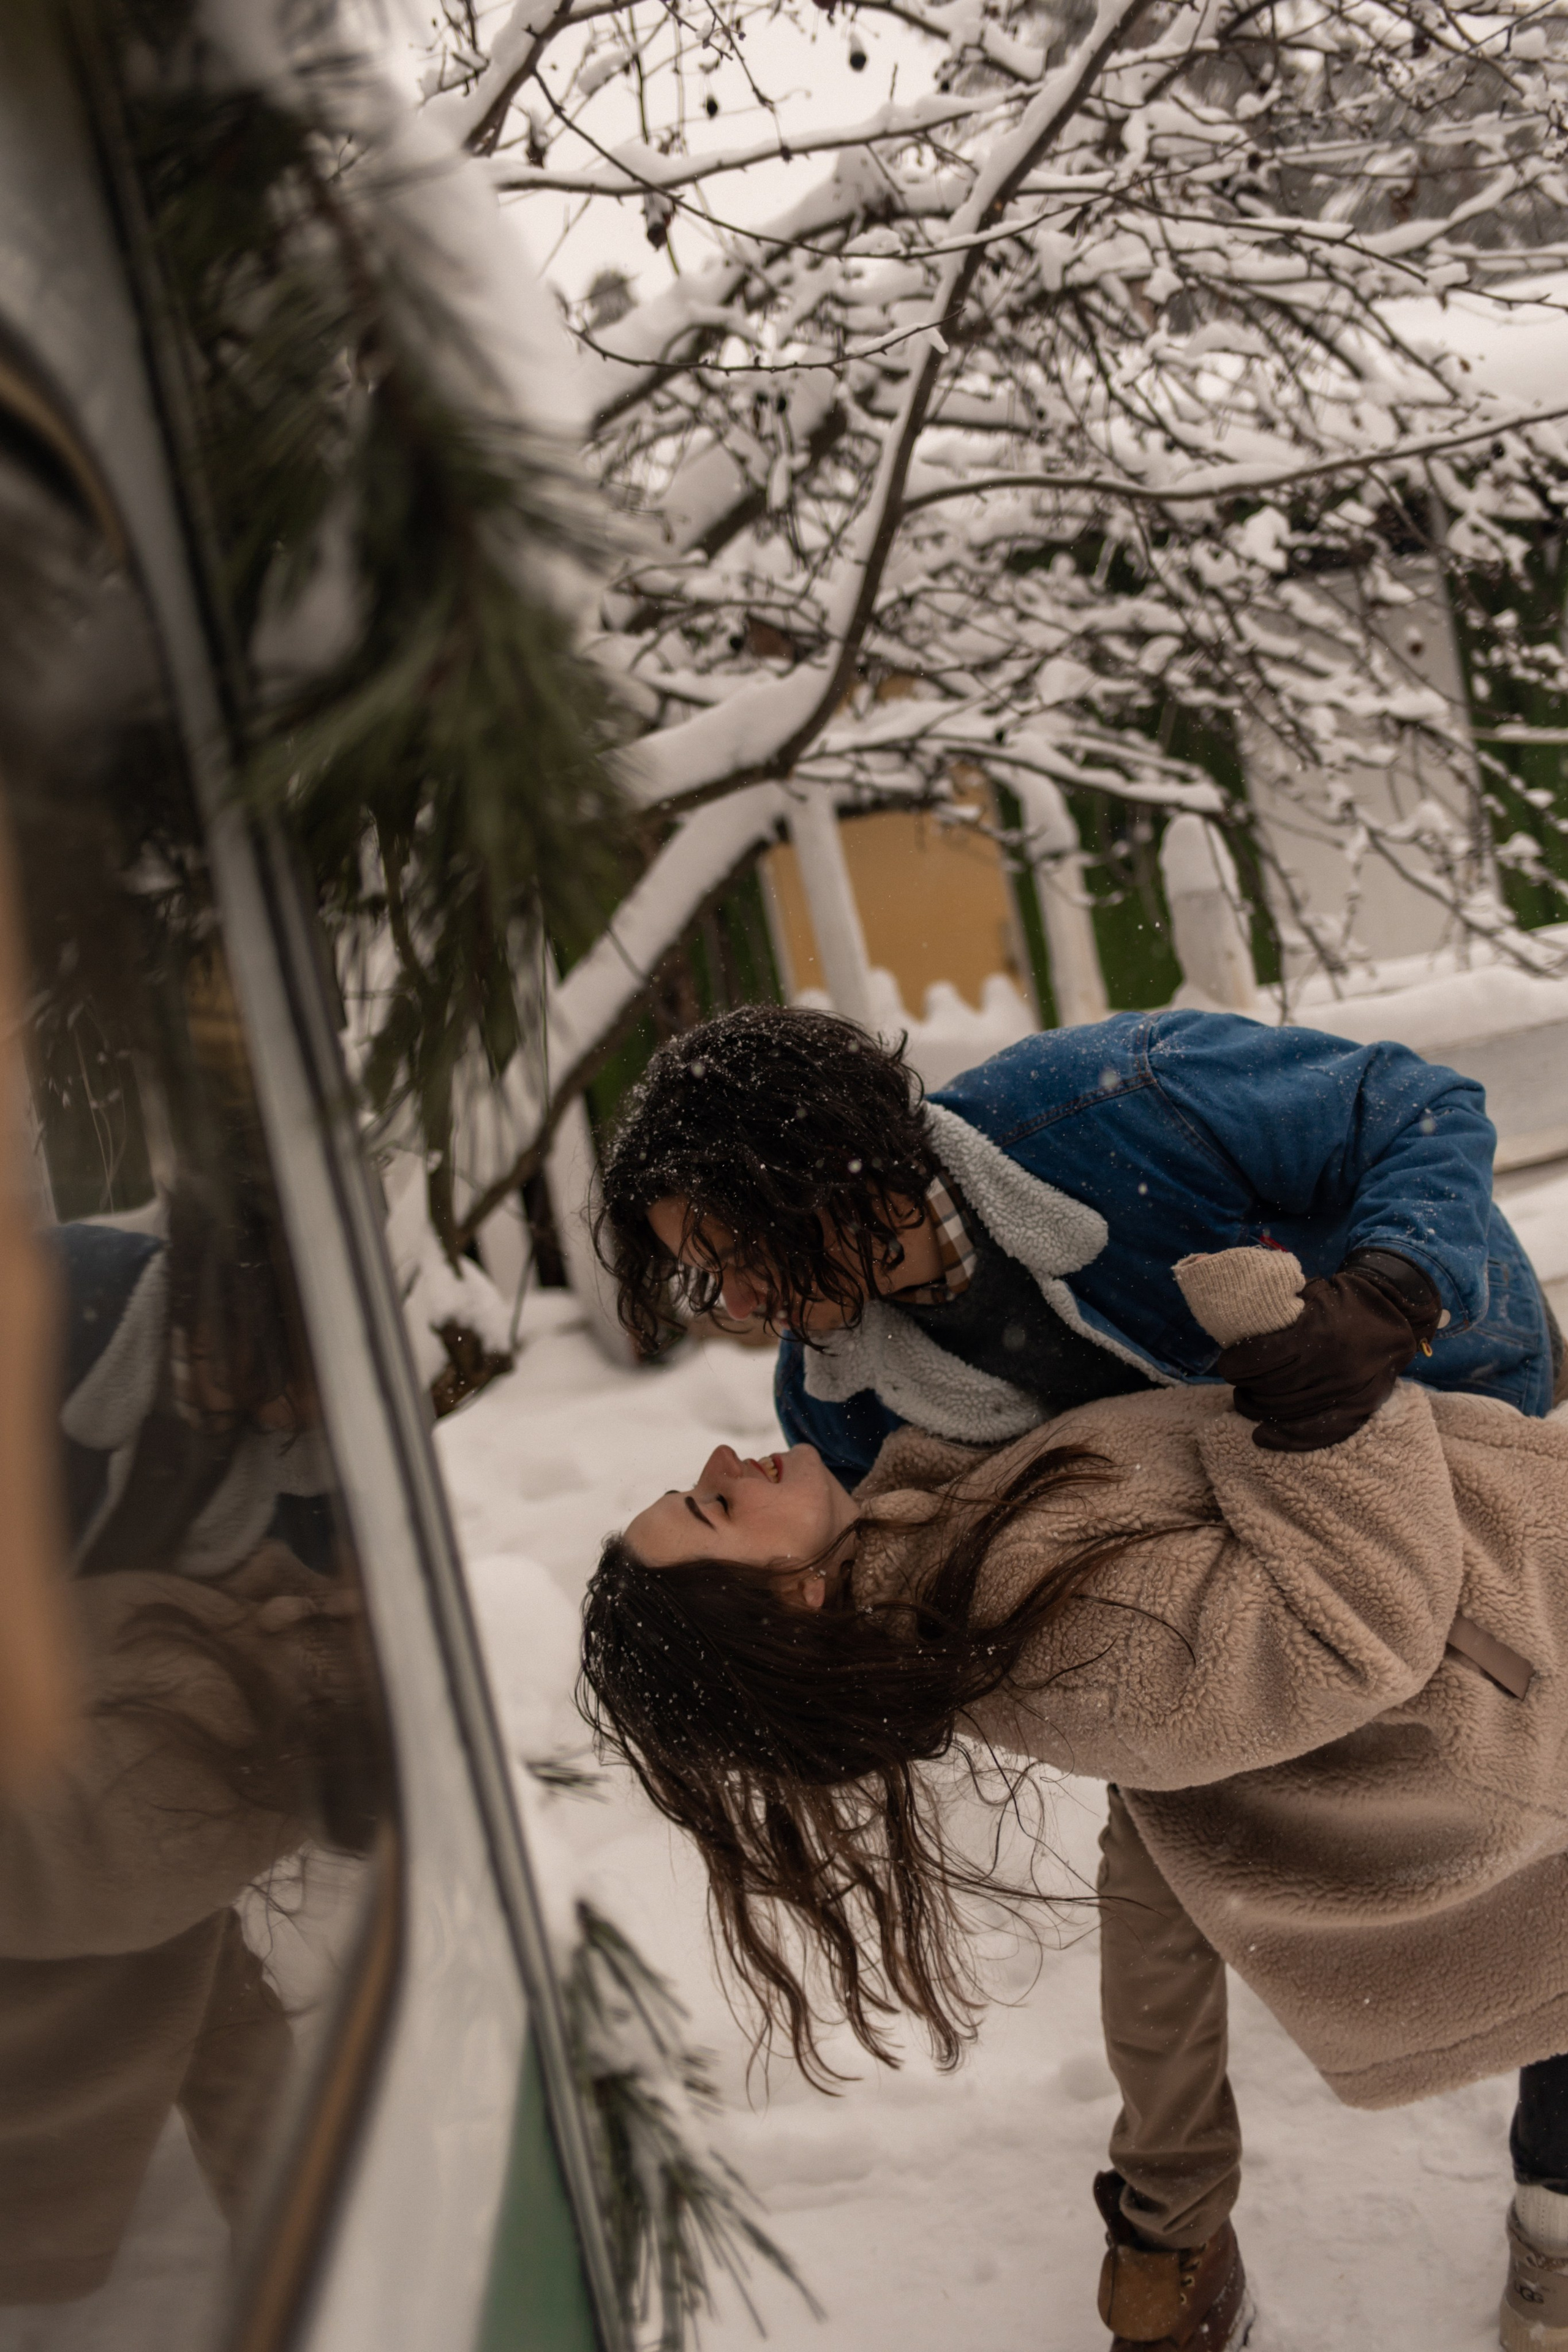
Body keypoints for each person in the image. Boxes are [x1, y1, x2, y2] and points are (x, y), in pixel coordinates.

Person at [580, 1245, 1568, 2352]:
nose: (724, 1455)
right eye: (714, 1504)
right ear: (801, 1602)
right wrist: (1299, 1382)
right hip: (1536, 1665)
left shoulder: (938, 1551)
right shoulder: (1052, 1635)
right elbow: (1359, 1624)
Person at [597, 1004, 1567, 1485]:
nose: (733, 1305)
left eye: (741, 1254)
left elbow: (1414, 1110)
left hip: (1495, 1407)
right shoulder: (833, 1411)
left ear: (827, 1163)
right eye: (704, 1276)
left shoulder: (1119, 1101)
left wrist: (1393, 1294)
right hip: (1310, 1577)